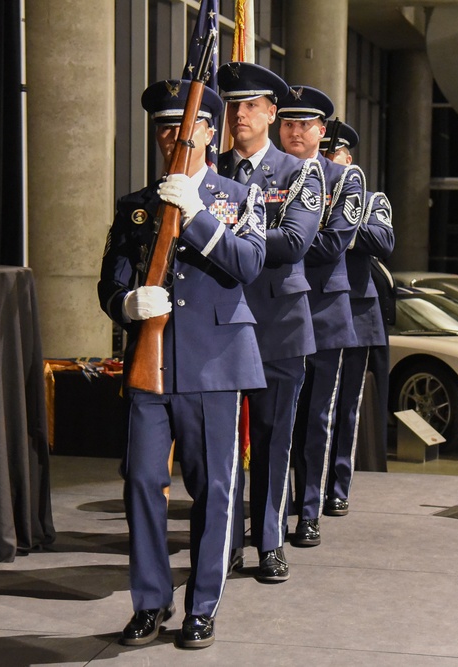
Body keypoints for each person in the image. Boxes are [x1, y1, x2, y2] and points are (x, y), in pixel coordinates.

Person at [97, 78, 268, 649]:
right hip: (153, 365)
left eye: (185, 124)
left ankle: (203, 605)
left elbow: (248, 264)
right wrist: (127, 304)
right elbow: (110, 283)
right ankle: (150, 602)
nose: (173, 135)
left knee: (214, 488)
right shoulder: (135, 208)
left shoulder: (238, 198)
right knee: (143, 481)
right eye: (164, 128)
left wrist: (197, 216)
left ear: (210, 131)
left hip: (215, 363)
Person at [216, 62, 324, 583]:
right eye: (233, 105)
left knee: (274, 437)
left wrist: (224, 236)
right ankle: (227, 540)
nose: (239, 114)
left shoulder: (299, 172)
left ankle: (270, 540)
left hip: (278, 322)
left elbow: (297, 241)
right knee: (221, 443)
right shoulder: (209, 171)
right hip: (219, 325)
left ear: (271, 114)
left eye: (251, 105)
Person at [277, 86, 366, 548]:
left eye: (305, 124)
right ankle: (270, 512)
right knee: (275, 422)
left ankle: (308, 509)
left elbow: (334, 244)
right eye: (288, 123)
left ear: (321, 131)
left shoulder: (344, 179)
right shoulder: (264, 173)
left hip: (324, 310)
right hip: (273, 310)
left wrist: (279, 243)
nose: (295, 131)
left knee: (316, 418)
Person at [319, 123, 395, 513]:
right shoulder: (303, 193)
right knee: (310, 409)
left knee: (346, 406)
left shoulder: (369, 199)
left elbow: (383, 241)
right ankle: (308, 488)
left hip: (355, 312)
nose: (326, 161)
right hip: (312, 310)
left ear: (348, 160)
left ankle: (337, 487)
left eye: (332, 155)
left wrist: (339, 226)